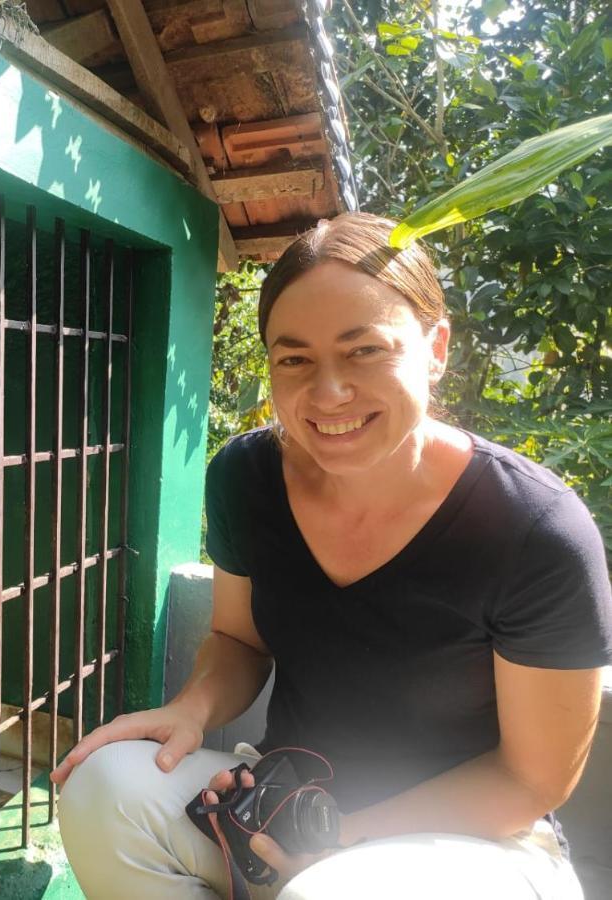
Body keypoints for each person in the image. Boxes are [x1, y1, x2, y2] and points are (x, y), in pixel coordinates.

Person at [52, 213, 612, 899]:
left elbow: (530, 781)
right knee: (102, 787)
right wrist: (192, 709)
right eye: (293, 359)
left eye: (364, 350)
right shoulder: (246, 475)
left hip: (476, 843)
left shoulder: (535, 529)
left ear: (435, 347)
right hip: (292, 796)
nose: (327, 393)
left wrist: (340, 835)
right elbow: (236, 638)